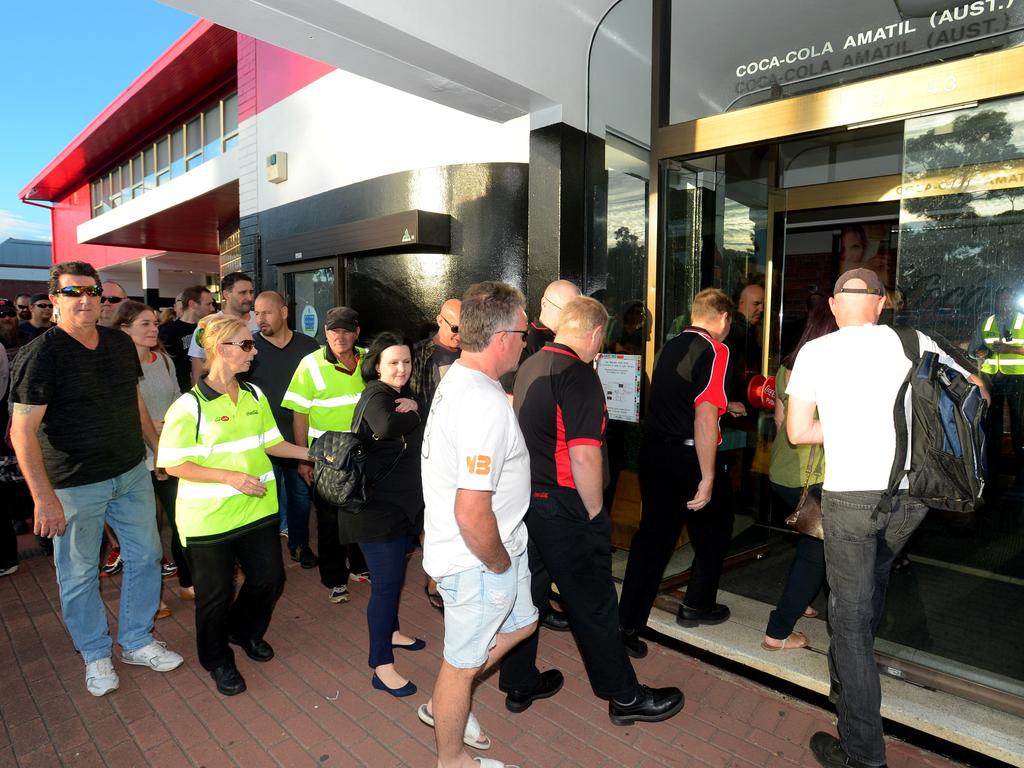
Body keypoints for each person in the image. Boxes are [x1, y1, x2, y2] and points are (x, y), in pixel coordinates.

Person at [787, 268, 986, 768]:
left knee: (849, 621)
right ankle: (847, 683)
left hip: (851, 498)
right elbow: (977, 393)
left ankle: (863, 753)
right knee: (868, 589)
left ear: (834, 307)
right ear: (879, 304)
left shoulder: (815, 353)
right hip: (909, 495)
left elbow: (798, 432)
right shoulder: (914, 340)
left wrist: (850, 428)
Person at [506, 295, 685, 725]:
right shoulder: (578, 375)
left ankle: (519, 681)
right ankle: (625, 698)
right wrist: (595, 513)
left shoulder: (530, 365)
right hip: (567, 509)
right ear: (594, 333)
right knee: (595, 603)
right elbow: (585, 456)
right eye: (600, 339)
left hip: (530, 504)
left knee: (527, 595)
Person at [9, 261, 183, 697]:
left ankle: (137, 640)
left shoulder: (117, 344)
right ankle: (95, 652)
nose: (85, 300)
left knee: (146, 557)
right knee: (79, 572)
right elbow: (21, 431)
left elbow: (135, 404)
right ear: (54, 299)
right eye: (73, 293)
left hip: (128, 472)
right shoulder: (41, 354)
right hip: (72, 484)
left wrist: (157, 451)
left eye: (93, 292)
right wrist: (42, 498)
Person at [420, 281, 539, 768]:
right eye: (525, 332)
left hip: (491, 547)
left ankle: (445, 700)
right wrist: (496, 561)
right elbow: (472, 511)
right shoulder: (483, 403)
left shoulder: (463, 378)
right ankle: (452, 759)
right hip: (479, 558)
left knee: (524, 622)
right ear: (503, 337)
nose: (528, 341)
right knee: (460, 664)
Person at [158, 315, 310, 696]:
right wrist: (228, 477)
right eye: (245, 345)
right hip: (208, 521)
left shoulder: (254, 395)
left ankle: (243, 632)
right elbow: (173, 463)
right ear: (219, 349)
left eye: (251, 344)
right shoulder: (188, 407)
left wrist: (312, 453)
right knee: (215, 596)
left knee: (269, 578)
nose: (253, 351)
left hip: (256, 510)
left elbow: (272, 443)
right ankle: (217, 658)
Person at [618, 288, 733, 658]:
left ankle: (626, 625)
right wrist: (708, 476)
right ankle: (697, 604)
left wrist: (726, 408)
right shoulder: (716, 350)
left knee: (651, 541)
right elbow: (702, 418)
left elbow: (678, 399)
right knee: (715, 528)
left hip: (654, 454)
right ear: (724, 319)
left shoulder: (670, 346)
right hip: (686, 459)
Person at [340, 332, 427, 696]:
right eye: (393, 362)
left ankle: (391, 632)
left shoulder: (398, 397)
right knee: (386, 586)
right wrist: (415, 413)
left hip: (398, 508)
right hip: (374, 512)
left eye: (406, 361)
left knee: (393, 580)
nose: (401, 368)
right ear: (377, 365)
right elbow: (387, 426)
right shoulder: (377, 394)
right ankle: (381, 665)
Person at [762, 300, 838, 651]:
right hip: (815, 476)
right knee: (816, 551)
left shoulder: (786, 367)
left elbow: (780, 420)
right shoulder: (829, 370)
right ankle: (777, 632)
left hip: (782, 470)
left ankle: (802, 598)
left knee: (812, 538)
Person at [283, 306, 370, 603]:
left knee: (362, 512)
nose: (340, 336)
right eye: (334, 330)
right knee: (329, 522)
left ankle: (360, 566)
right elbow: (299, 415)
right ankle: (334, 578)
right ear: (325, 332)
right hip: (327, 459)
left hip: (362, 453)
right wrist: (304, 459)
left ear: (357, 332)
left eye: (347, 330)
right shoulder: (309, 364)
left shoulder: (371, 359)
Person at [114, 300, 194, 604]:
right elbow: (119, 412)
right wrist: (150, 427)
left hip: (170, 452)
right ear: (124, 328)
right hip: (135, 458)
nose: (153, 329)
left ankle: (187, 582)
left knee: (180, 521)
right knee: (145, 532)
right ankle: (152, 598)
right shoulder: (116, 365)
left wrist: (171, 424)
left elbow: (177, 397)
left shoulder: (163, 360)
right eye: (144, 324)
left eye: (154, 323)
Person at [247, 290, 320, 562]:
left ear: (284, 312)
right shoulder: (250, 347)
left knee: (301, 498)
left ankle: (299, 546)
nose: (260, 318)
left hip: (298, 440)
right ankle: (266, 555)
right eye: (256, 312)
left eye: (266, 312)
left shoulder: (308, 346)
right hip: (262, 443)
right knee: (265, 502)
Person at [409, 298, 462, 610]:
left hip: (464, 448)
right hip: (429, 450)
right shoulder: (418, 355)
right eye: (455, 327)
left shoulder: (473, 352)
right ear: (440, 320)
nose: (460, 334)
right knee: (433, 517)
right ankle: (436, 581)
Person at [973, 286, 1023, 475]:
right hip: (992, 377)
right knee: (994, 420)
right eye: (1001, 300)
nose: (1004, 304)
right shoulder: (986, 323)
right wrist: (980, 352)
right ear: (995, 302)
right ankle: (993, 461)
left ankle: (1020, 460)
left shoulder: (1022, 320)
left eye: (1008, 300)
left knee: (1019, 419)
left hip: (1018, 376)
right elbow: (973, 349)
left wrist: (1010, 350)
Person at [188, 272, 259, 385]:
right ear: (226, 295)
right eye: (243, 293)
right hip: (222, 394)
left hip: (257, 393)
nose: (249, 297)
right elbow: (198, 372)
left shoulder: (261, 319)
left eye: (251, 292)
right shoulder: (209, 325)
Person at [160, 285, 216, 392]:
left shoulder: (210, 329)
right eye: (208, 304)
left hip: (206, 388)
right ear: (192, 304)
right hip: (180, 393)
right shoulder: (168, 332)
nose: (212, 309)